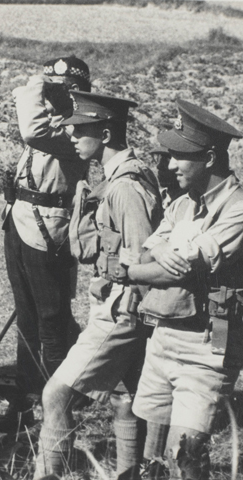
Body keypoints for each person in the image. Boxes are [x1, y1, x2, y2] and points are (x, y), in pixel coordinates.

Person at [35, 91, 163, 479]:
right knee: (127, 399)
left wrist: (117, 291)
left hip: (123, 311)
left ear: (105, 134)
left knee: (55, 394)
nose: (71, 136)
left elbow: (143, 261)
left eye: (81, 130)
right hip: (123, 305)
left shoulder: (125, 187)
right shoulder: (125, 175)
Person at [129, 99, 243, 480]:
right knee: (152, 456)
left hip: (206, 348)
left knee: (186, 455)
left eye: (180, 156)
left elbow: (185, 269)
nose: (170, 165)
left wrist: (133, 269)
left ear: (210, 157)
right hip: (163, 336)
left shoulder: (238, 208)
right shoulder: (181, 205)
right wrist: (153, 254)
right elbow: (146, 250)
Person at [2, 56, 91, 424]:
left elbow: (31, 131)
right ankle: (26, 394)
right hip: (20, 221)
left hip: (48, 230)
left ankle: (60, 403)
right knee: (27, 317)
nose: (52, 94)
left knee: (52, 319)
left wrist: (39, 84)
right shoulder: (53, 119)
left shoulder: (79, 128)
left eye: (60, 87)